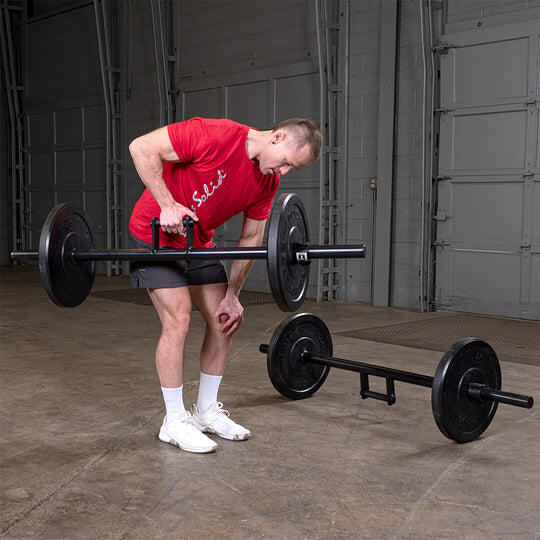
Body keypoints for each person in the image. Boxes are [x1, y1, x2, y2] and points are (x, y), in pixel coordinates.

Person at [128, 117, 322, 453]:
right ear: (277, 137)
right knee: (179, 319)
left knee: (223, 320)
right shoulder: (214, 135)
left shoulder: (267, 182)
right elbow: (141, 147)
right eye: (287, 162)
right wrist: (167, 203)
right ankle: (174, 421)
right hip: (155, 234)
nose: (285, 172)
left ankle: (205, 412)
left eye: (294, 168)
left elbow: (250, 238)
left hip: (197, 240)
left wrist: (233, 295)